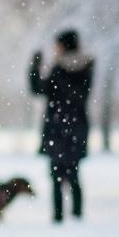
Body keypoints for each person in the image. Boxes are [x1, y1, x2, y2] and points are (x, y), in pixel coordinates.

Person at [30, 29, 94, 223]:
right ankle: (76, 214)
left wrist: (36, 67)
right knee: (73, 173)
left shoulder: (60, 68)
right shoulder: (87, 66)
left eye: (57, 44)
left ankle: (59, 216)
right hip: (76, 126)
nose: (54, 48)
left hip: (57, 127)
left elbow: (39, 88)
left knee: (58, 175)